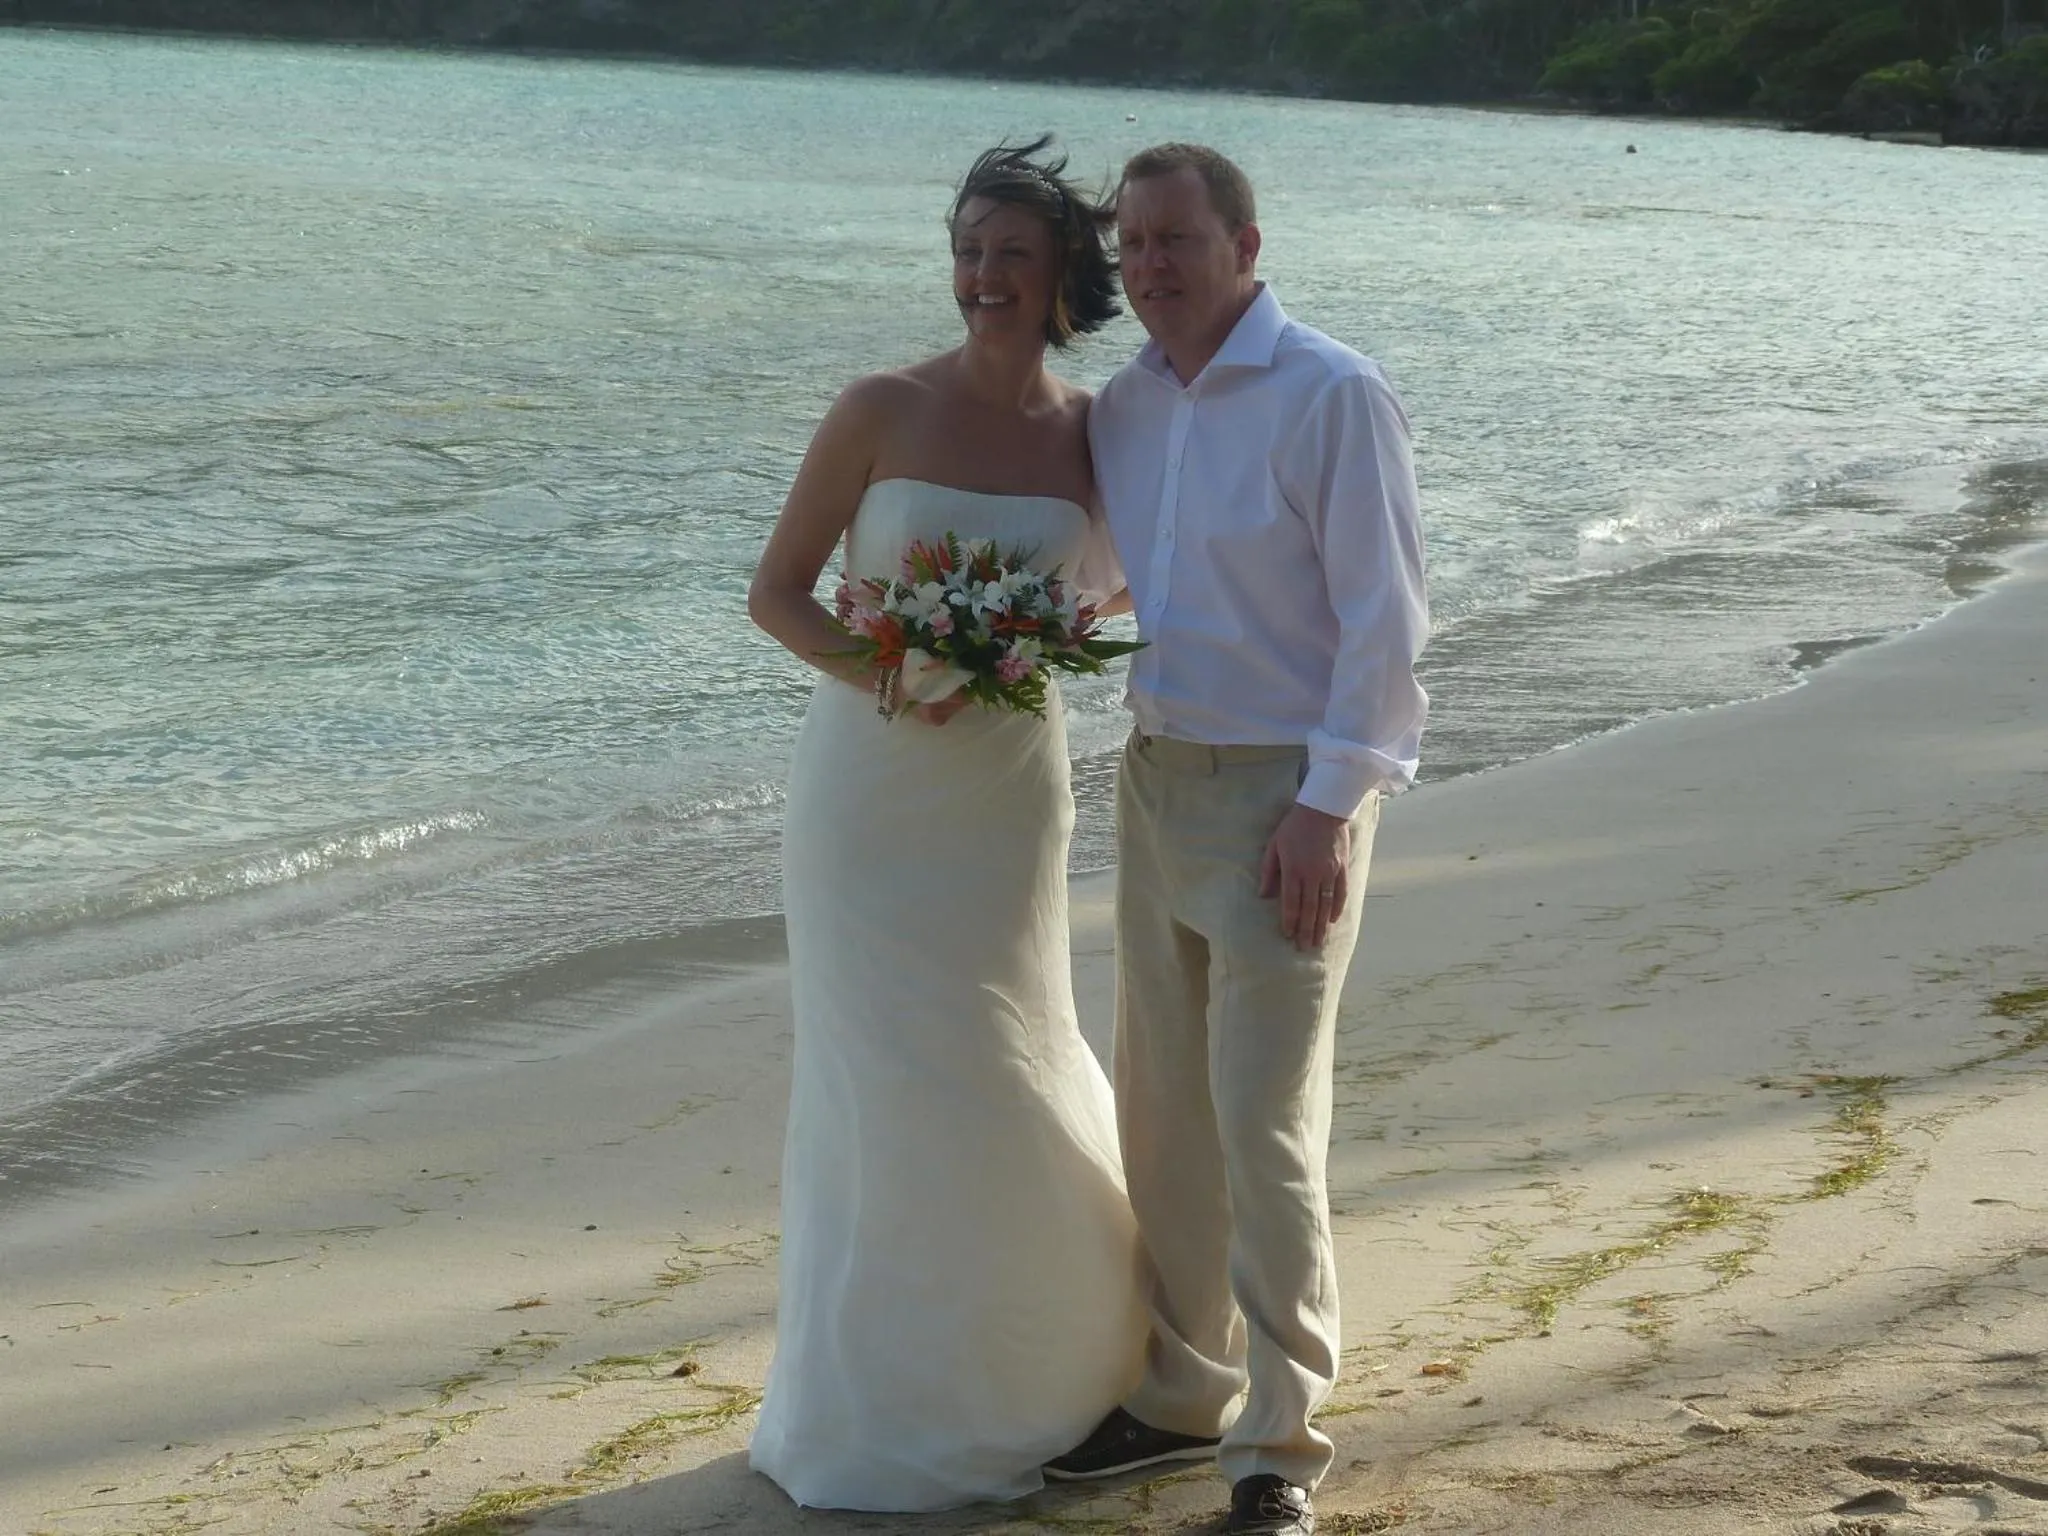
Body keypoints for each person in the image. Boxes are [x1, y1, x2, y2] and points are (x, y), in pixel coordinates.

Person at [743, 138, 1145, 1513]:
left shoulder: (1093, 432)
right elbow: (781, 595)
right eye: (969, 251)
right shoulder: (877, 407)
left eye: (1011, 257)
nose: (982, 277)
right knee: (883, 1072)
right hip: (866, 794)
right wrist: (894, 670)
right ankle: (884, 1392)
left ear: (1057, 282)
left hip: (1007, 797)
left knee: (999, 1043)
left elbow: (1133, 590)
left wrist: (1030, 641)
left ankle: (1057, 1361)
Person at [1046, 144, 1430, 1536]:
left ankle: (1277, 1448)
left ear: (1246, 243)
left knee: (1266, 1125)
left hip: (1289, 799)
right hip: (1155, 784)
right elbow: (1103, 581)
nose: (1149, 266)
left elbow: (1386, 630)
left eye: (1176, 240)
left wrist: (1329, 809)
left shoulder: (1333, 392)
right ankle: (1179, 1395)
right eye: (1131, 243)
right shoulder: (1129, 410)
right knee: (1164, 1115)